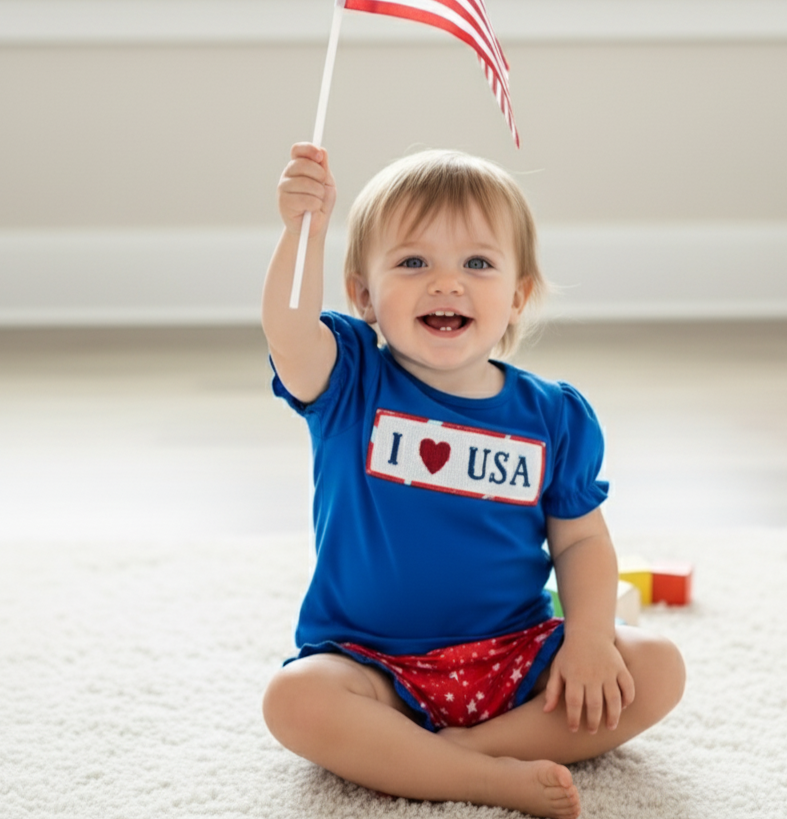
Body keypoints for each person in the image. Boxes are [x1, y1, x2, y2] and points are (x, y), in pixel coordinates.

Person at [261, 143, 685, 819]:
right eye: (413, 262)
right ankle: (483, 776)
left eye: (477, 263)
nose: (446, 283)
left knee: (656, 665)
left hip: (514, 657)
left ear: (516, 297)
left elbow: (580, 543)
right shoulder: (349, 380)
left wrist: (589, 638)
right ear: (363, 293)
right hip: (374, 666)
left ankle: (462, 750)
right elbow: (288, 329)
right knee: (294, 700)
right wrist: (301, 228)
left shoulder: (554, 415)